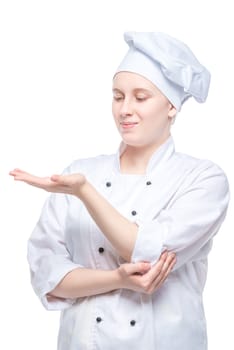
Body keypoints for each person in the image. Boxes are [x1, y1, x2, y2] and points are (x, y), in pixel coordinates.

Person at [10, 32, 229, 350]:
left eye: (140, 97)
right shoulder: (78, 171)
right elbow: (46, 271)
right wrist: (116, 280)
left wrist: (85, 192)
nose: (125, 109)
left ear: (171, 107)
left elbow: (143, 252)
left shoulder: (202, 179)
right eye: (117, 96)